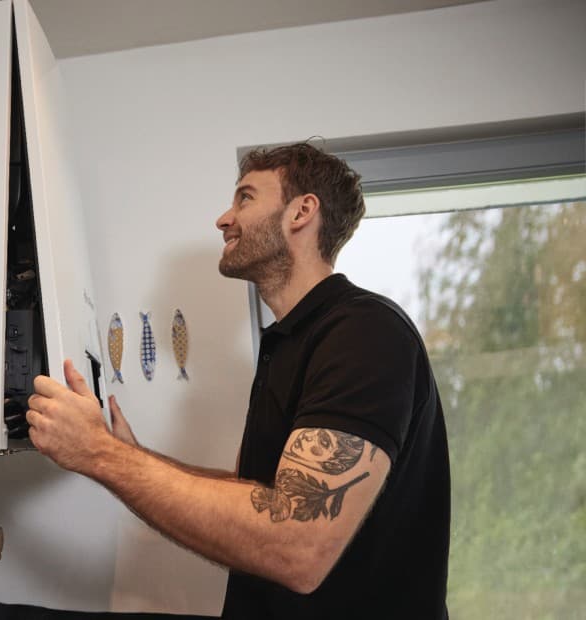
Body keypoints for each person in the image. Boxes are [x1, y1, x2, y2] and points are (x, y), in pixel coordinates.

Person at [25, 143, 450, 619]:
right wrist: (129, 452)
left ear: (302, 212)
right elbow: (261, 495)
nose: (224, 219)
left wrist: (100, 454)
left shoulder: (363, 332)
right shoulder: (287, 342)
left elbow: (297, 545)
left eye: (245, 198)